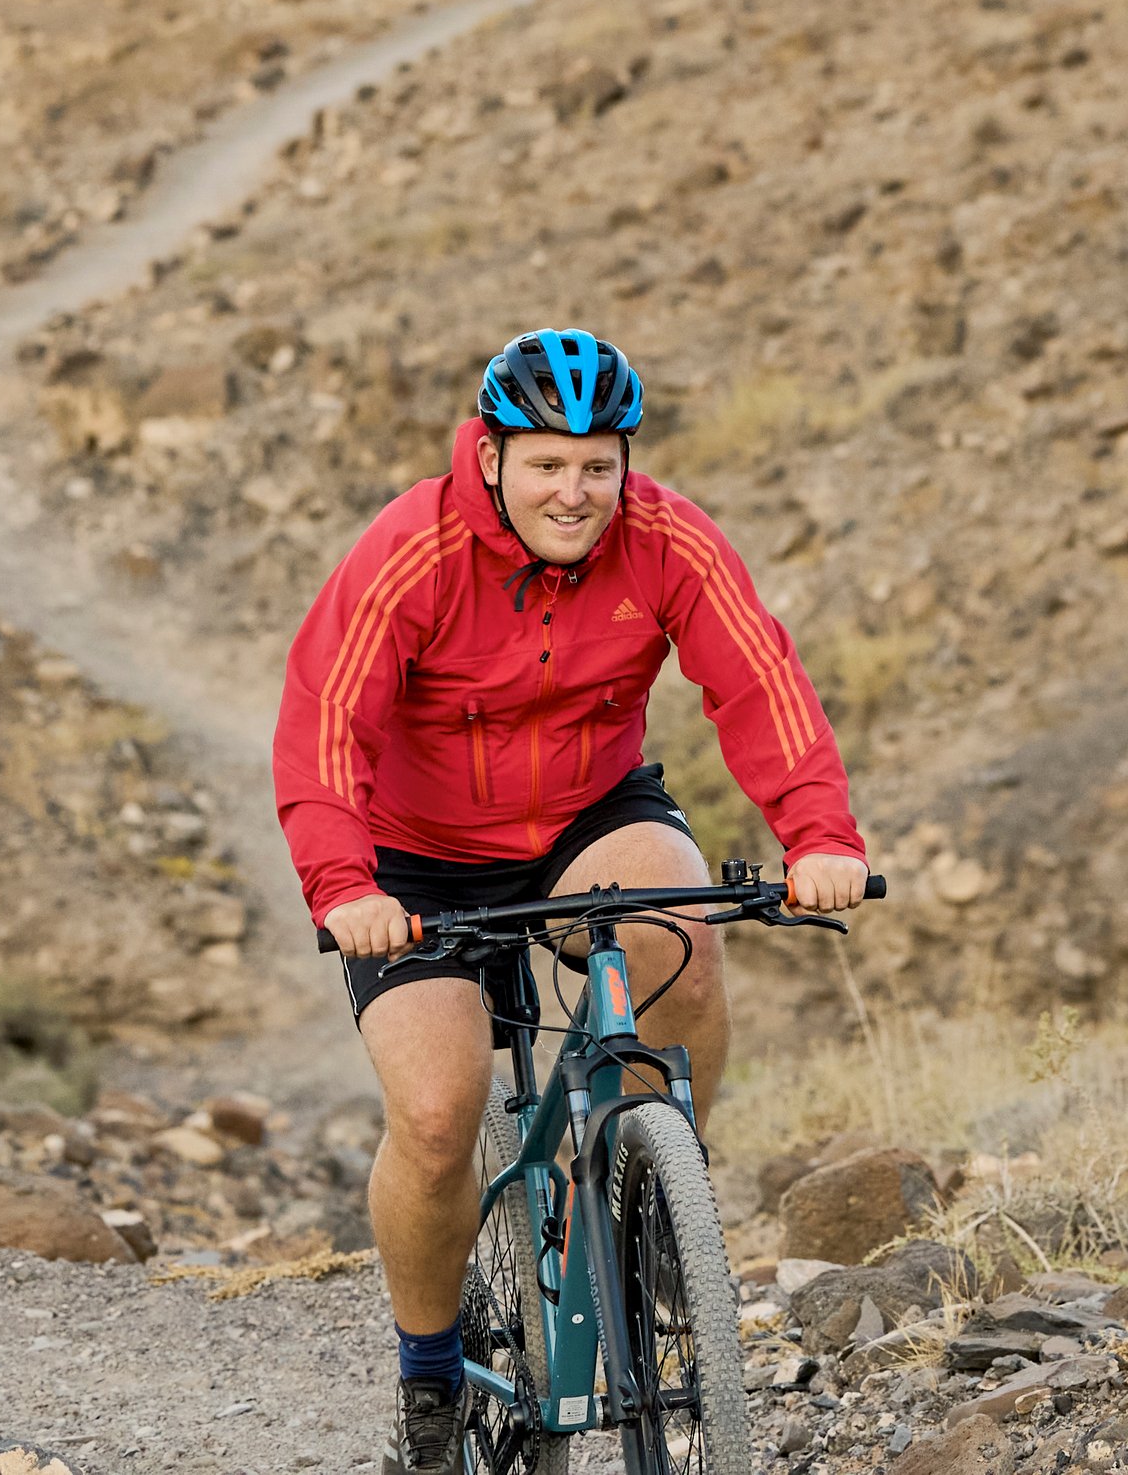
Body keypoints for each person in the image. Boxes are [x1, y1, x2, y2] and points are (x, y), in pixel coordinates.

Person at [274, 326, 870, 1475]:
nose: (576, 490)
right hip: (410, 853)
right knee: (442, 1118)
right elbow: (322, 727)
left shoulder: (667, 539)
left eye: (599, 463)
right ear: (492, 455)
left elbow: (760, 683)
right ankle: (430, 1372)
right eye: (548, 462)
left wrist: (819, 834)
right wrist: (344, 884)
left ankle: (656, 1206)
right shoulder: (413, 548)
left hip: (586, 815)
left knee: (682, 944)